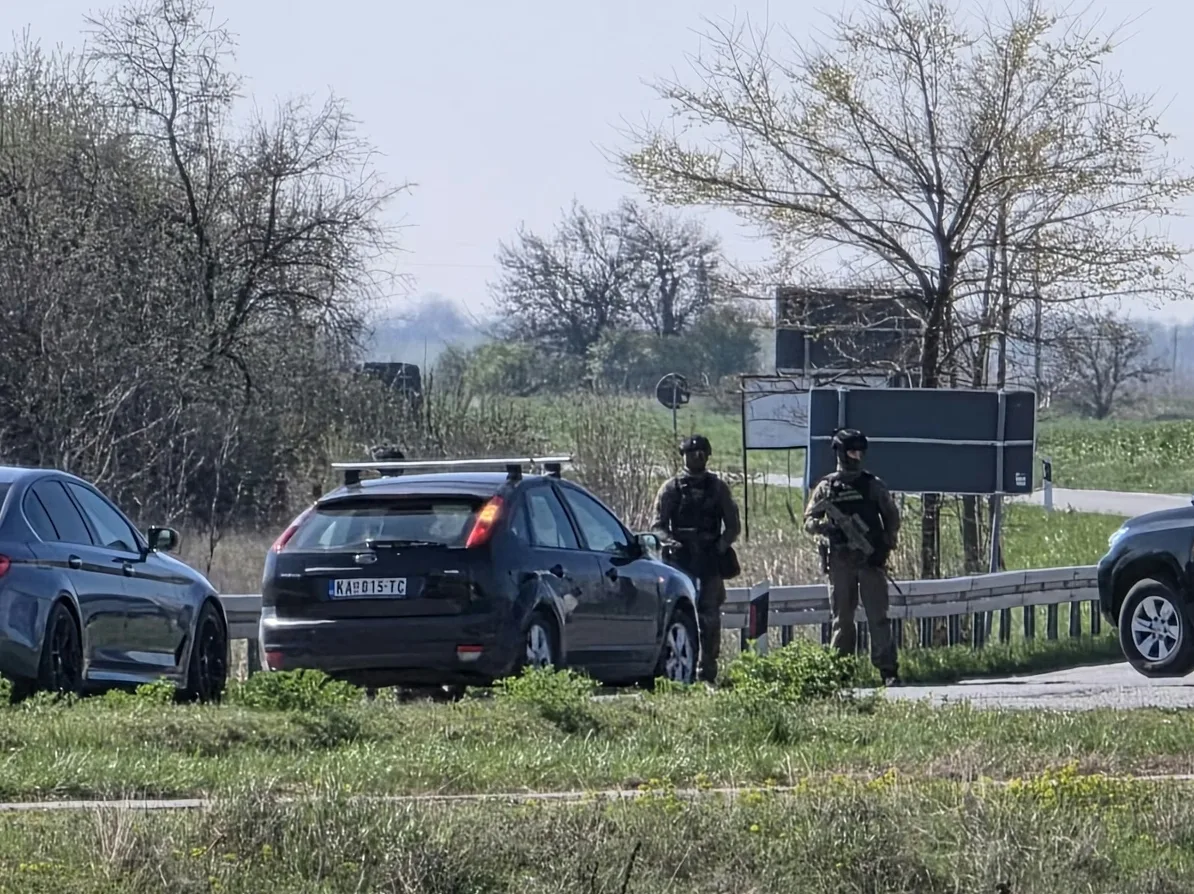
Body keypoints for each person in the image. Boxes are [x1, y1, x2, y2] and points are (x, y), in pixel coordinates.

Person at [802, 428, 902, 685]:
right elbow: (809, 521)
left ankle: (887, 670)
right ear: (840, 453)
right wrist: (827, 529)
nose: (856, 456)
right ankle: (840, 671)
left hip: (869, 561)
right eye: (852, 452)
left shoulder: (872, 485)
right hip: (840, 561)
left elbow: (892, 518)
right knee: (842, 620)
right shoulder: (827, 487)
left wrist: (884, 547)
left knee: (878, 617)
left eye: (859, 452)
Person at [650, 434, 741, 684]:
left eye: (701, 453)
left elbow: (733, 526)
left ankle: (707, 672)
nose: (697, 458)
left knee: (710, 619)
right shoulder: (671, 488)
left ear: (708, 456)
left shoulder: (718, 488)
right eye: (691, 454)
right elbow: (657, 526)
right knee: (679, 614)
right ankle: (677, 672)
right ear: (683, 457)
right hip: (681, 562)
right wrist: (672, 544)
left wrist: (719, 547)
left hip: (709, 561)